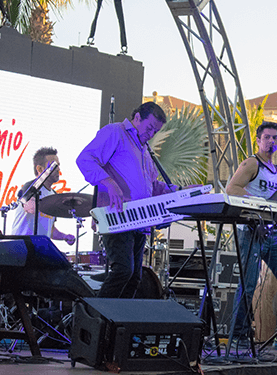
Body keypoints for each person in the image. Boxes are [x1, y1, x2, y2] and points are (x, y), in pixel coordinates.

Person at [76, 102, 181, 298]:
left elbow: (152, 186)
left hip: (138, 220)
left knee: (134, 277)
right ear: (137, 118)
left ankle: (118, 324)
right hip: (116, 216)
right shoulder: (115, 132)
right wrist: (109, 183)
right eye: (149, 128)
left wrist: (178, 190)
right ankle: (98, 319)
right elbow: (85, 159)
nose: (151, 134)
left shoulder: (145, 151)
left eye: (155, 131)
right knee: (123, 271)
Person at [226, 121, 277, 350]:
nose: (271, 141)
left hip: (272, 233)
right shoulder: (251, 163)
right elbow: (232, 188)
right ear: (258, 140)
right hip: (250, 229)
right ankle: (239, 335)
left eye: (275, 138)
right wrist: (261, 205)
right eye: (266, 137)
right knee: (248, 284)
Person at [11, 147, 75, 245]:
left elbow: (50, 229)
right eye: (54, 165)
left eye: (58, 165)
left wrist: (64, 237)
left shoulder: (53, 195)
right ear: (39, 169)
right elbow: (30, 207)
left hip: (39, 247)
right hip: (22, 247)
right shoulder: (30, 187)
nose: (58, 169)